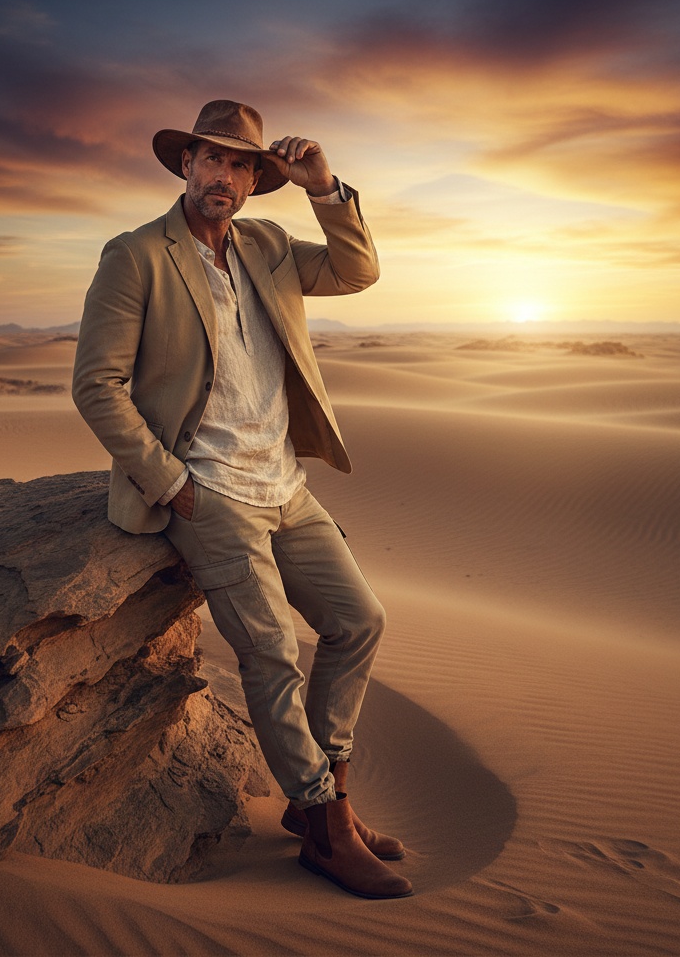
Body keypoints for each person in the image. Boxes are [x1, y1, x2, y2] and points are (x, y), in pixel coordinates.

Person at [73, 100, 411, 900]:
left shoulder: (267, 244)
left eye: (240, 164)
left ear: (257, 180)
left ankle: (326, 796)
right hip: (210, 492)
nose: (223, 175)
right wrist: (173, 485)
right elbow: (96, 385)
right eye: (211, 158)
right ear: (185, 164)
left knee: (359, 620)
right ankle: (325, 828)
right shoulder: (136, 255)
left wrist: (323, 187)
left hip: (284, 484)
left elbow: (357, 272)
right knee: (270, 654)